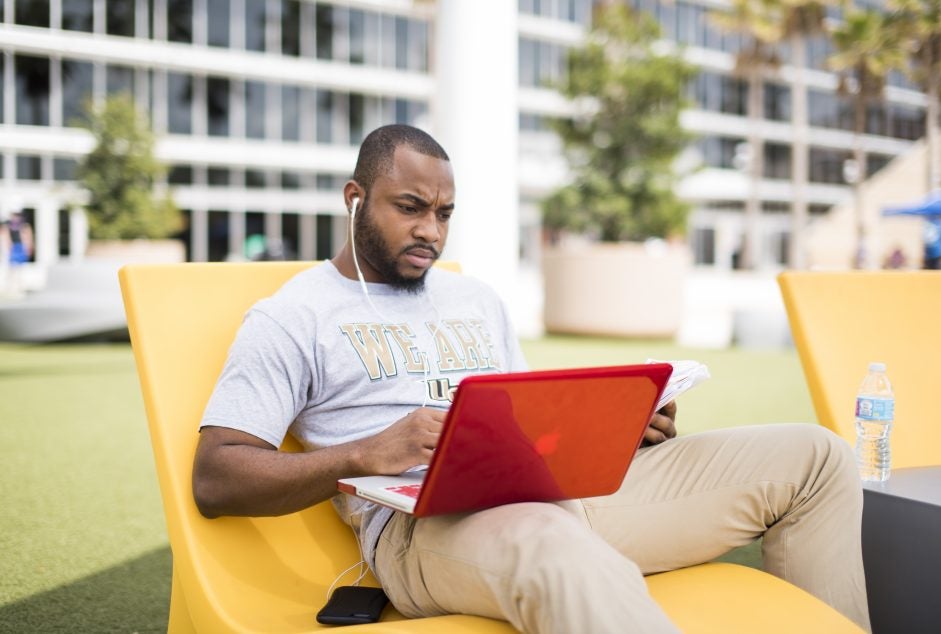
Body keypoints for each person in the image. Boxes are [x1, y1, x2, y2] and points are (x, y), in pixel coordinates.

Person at [192, 124, 871, 633]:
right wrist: (365, 454)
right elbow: (216, 476)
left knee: (816, 457)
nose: (431, 230)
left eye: (445, 213)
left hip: (559, 498)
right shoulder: (293, 315)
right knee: (556, 550)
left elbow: (523, 428)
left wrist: (617, 436)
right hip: (424, 530)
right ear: (355, 198)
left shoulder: (476, 300)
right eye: (410, 207)